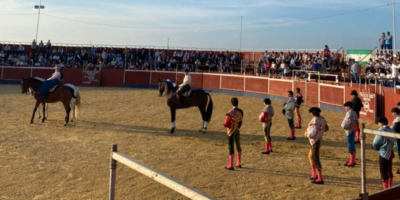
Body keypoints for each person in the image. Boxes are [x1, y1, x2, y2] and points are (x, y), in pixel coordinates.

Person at [305, 107, 328, 184]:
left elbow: (312, 133)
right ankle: (314, 174)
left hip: (315, 141)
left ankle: (320, 178)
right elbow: (326, 128)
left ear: (312, 113)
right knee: (310, 156)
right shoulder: (322, 119)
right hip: (319, 139)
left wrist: (307, 134)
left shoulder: (315, 121)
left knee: (315, 158)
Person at [373, 117, 395, 189]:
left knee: (383, 171)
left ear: (381, 123)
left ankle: (385, 189)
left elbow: (375, 143)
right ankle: (389, 188)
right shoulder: (391, 130)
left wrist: (375, 148)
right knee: (389, 171)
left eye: (379, 123)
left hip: (383, 153)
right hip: (390, 152)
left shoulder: (381, 130)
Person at [223, 97, 244, 170]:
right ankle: (239, 163)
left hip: (231, 130)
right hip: (237, 129)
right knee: (238, 145)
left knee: (231, 146)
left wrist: (229, 126)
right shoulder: (241, 111)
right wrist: (238, 127)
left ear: (231, 103)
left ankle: (231, 165)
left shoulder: (230, 113)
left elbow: (225, 123)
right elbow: (240, 121)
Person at [341, 102, 358, 167]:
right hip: (352, 130)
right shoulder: (354, 112)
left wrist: (343, 126)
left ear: (348, 107)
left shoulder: (349, 113)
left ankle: (352, 161)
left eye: (345, 107)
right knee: (351, 145)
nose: (345, 108)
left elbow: (346, 123)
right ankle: (352, 160)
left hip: (349, 131)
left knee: (350, 146)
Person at [391, 108, 400, 174]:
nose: (392, 114)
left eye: (392, 113)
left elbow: (394, 130)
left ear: (395, 113)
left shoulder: (397, 121)